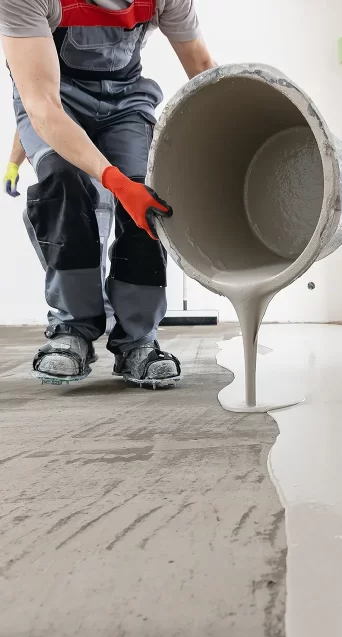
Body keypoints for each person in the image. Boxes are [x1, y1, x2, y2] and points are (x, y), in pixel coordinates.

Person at [0, 0, 216, 387]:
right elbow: (41, 103)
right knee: (63, 184)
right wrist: (113, 183)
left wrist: (233, 149)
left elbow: (201, 69)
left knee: (150, 198)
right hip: (58, 101)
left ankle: (138, 339)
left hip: (126, 101)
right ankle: (72, 330)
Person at [4, 131, 118, 333]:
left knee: (92, 248)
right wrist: (13, 164)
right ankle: (77, 313)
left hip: (96, 176)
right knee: (57, 243)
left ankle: (96, 315)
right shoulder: (45, 102)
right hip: (61, 177)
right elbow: (28, 119)